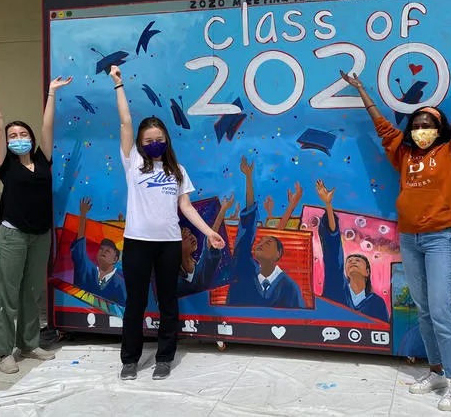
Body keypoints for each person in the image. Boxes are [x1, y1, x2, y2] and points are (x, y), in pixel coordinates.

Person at [341, 48, 451, 412]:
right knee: (423, 309)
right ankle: (435, 370)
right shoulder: (403, 154)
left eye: (429, 125)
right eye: (417, 125)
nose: (422, 130)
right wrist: (361, 90)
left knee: (441, 309)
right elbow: (383, 128)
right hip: (409, 239)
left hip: (438, 240)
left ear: (440, 130)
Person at [109, 65, 225, 381]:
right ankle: (130, 360)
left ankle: (164, 358)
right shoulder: (132, 163)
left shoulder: (177, 170)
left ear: (166, 140)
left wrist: (209, 231)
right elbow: (124, 122)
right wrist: (119, 85)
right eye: (148, 140)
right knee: (134, 304)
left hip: (169, 246)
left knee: (168, 303)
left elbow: (185, 207)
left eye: (158, 139)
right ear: (140, 143)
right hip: (136, 244)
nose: (153, 143)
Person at [0, 71, 72, 374]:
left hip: (40, 235)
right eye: (13, 136)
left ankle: (29, 342)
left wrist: (52, 93)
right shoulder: (5, 165)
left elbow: (48, 125)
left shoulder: (42, 159)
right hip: (12, 236)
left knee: (30, 292)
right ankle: (3, 351)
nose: (17, 138)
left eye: (22, 134)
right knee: (7, 293)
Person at [225, 156, 306, 308]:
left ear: (278, 254)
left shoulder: (290, 288)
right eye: (260, 242)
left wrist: (292, 205)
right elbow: (247, 227)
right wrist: (248, 177)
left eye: (268, 243)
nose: (260, 244)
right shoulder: (245, 272)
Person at [314, 179, 389, 322]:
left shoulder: (376, 303)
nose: (352, 262)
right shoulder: (336, 287)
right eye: (349, 261)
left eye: (358, 260)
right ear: (346, 270)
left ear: (367, 271)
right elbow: (333, 254)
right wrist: (328, 205)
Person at [71, 196, 126, 305]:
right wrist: (83, 216)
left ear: (115, 259)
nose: (103, 251)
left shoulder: (120, 283)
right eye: (101, 249)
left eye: (108, 251)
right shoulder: (87, 271)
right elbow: (79, 246)